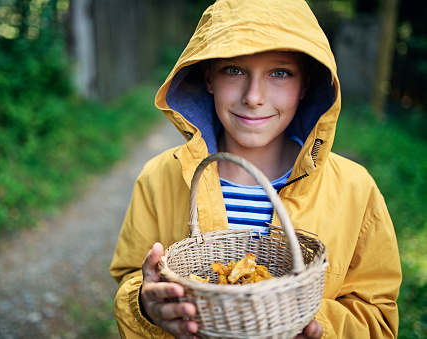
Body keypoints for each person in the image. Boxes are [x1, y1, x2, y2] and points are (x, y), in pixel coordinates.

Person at [109, 0, 402, 338]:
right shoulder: (159, 177)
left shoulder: (355, 190)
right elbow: (131, 278)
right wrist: (146, 307)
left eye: (280, 73)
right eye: (234, 70)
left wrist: (301, 317)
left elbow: (378, 317)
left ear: (305, 84)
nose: (253, 96)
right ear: (208, 77)